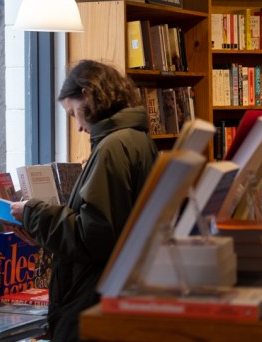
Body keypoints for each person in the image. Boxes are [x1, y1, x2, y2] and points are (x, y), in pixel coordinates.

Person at [10, 59, 158, 342]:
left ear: (88, 94)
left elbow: (93, 236)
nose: (77, 126)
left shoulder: (113, 147)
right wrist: (40, 229)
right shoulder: (138, 139)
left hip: (91, 298)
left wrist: (33, 213)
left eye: (72, 113)